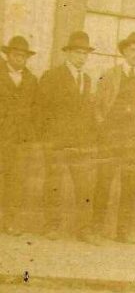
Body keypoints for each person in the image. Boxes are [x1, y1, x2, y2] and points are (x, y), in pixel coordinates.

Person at [92, 31, 135, 243]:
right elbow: (98, 103)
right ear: (125, 52)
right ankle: (96, 229)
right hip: (111, 135)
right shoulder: (110, 74)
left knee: (131, 185)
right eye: (132, 50)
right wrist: (102, 126)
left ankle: (123, 231)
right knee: (104, 182)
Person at [38, 31, 99, 243]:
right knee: (54, 183)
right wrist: (48, 137)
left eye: (85, 53)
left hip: (80, 142)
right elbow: (41, 109)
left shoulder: (88, 79)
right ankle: (51, 226)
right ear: (68, 54)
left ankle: (84, 229)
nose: (81, 57)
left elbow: (88, 113)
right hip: (56, 140)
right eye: (77, 52)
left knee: (84, 185)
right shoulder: (52, 76)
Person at [0, 36, 38, 236]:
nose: (19, 59)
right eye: (15, 55)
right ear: (7, 56)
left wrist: (28, 132)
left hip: (18, 139)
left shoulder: (31, 79)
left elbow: (35, 109)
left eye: (23, 56)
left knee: (15, 181)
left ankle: (9, 222)